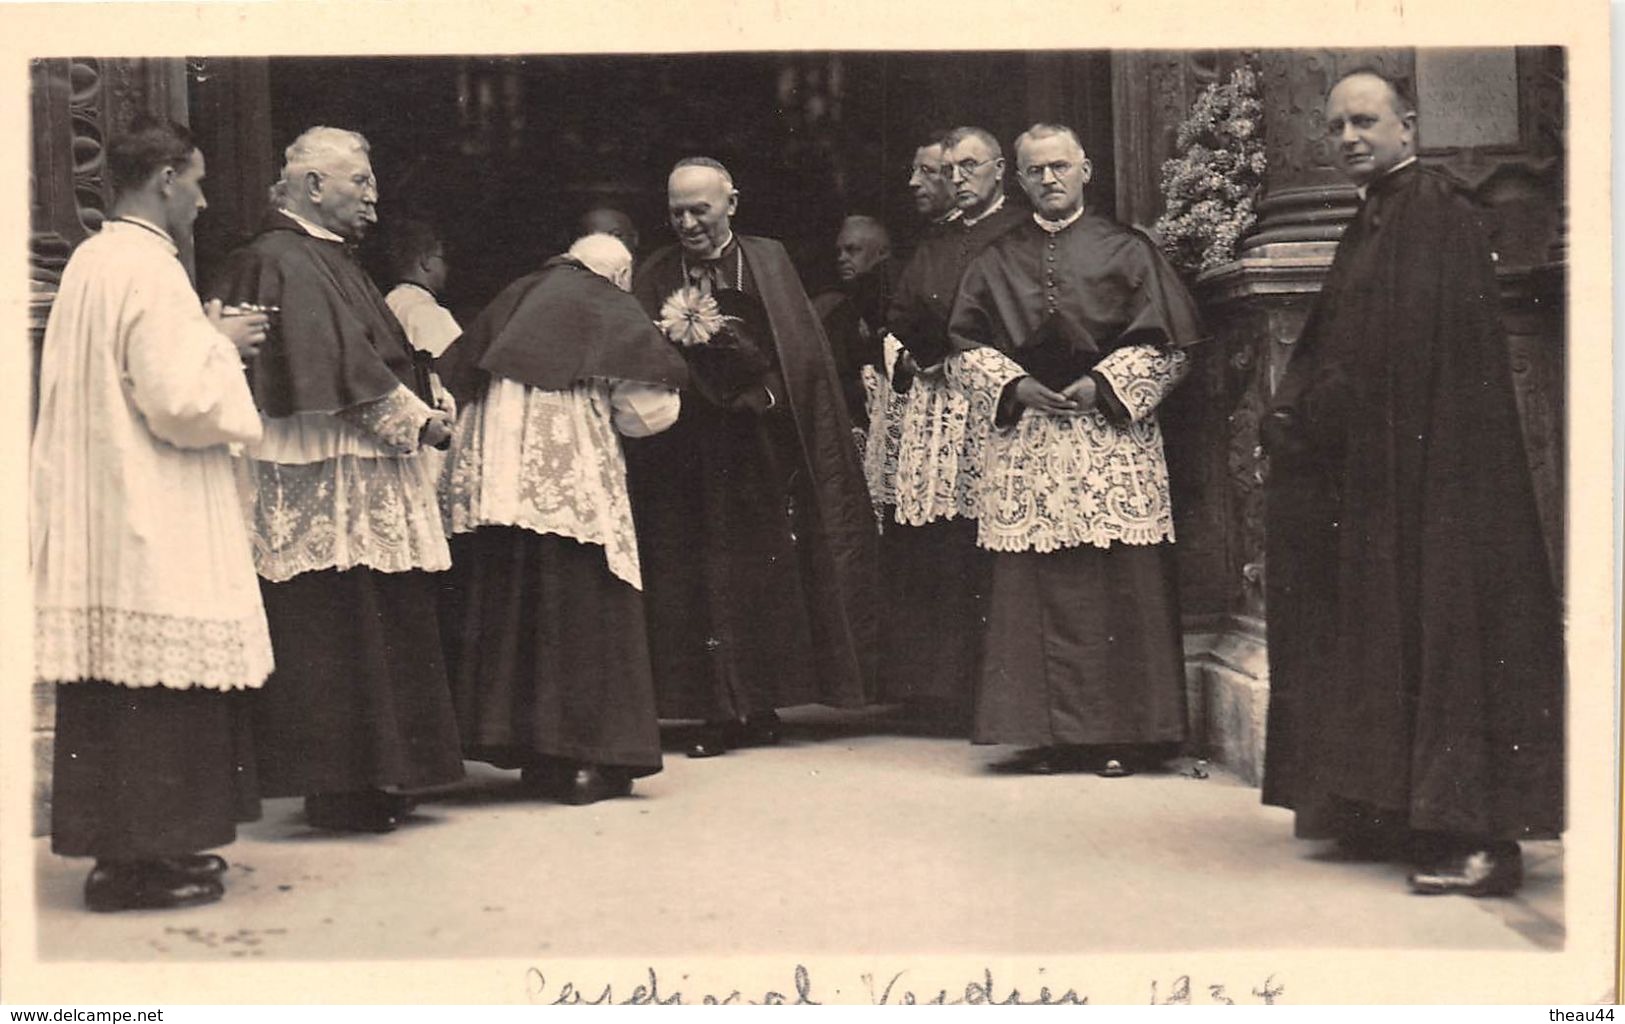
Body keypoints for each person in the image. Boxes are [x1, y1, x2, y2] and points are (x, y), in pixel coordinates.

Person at [1260, 70, 1563, 897]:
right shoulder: (1382, 212)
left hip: (1436, 473)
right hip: (1385, 463)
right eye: (1334, 127)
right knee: (1389, 629)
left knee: (1450, 634)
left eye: (1364, 121)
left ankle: (1477, 840)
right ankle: (1394, 808)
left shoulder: (1431, 208)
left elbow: (1404, 354)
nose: (1348, 137)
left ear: (1409, 123)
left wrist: (1317, 411)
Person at [33, 116, 272, 910]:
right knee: (159, 688)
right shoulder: (151, 267)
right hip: (152, 498)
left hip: (106, 500)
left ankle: (132, 854)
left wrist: (198, 338)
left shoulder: (93, 262)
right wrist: (222, 345)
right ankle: (138, 862)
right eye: (198, 182)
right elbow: (178, 401)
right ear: (166, 178)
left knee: (119, 684)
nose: (203, 200)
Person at [208, 126, 463, 833]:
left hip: (362, 477)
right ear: (313, 186)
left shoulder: (328, 257)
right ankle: (348, 785)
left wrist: (427, 395)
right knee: (338, 629)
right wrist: (422, 424)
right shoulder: (281, 259)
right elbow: (342, 377)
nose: (374, 200)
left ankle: (381, 779)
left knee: (373, 621)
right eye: (361, 184)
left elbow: (371, 355)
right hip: (324, 478)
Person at [947, 123, 1202, 775]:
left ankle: (1121, 734)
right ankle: (1046, 732)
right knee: (1036, 585)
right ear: (1019, 178)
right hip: (1030, 438)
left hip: (1107, 441)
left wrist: (1103, 384)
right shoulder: (994, 258)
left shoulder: (1128, 249)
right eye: (1035, 171)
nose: (1049, 179)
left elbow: (1170, 348)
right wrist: (1017, 385)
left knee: (1114, 579)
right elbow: (964, 348)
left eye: (1060, 166)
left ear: (1086, 169)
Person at [625, 156, 877, 758]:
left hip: (757, 446)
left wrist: (766, 394)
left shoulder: (768, 260)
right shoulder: (658, 270)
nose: (688, 223)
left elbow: (803, 355)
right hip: (684, 452)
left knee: (760, 574)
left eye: (700, 210)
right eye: (676, 212)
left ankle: (760, 704)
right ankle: (715, 709)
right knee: (697, 577)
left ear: (731, 204)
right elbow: (634, 352)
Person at [435, 233, 687, 804]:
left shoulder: (515, 296)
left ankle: (531, 753)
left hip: (497, 490)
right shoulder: (606, 301)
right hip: (572, 486)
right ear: (620, 276)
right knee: (582, 615)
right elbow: (644, 410)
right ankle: (584, 760)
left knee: (521, 613)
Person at [879, 126, 1027, 725]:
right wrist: (909, 356)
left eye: (970, 168)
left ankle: (986, 691)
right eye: (952, 170)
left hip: (990, 407)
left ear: (998, 171)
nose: (959, 179)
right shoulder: (933, 242)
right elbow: (898, 315)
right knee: (935, 546)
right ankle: (933, 692)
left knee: (986, 538)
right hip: (936, 408)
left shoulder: (1018, 232)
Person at [811, 214, 895, 430]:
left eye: (852, 250)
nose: (841, 258)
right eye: (839, 251)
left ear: (882, 253)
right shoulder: (834, 305)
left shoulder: (895, 300)